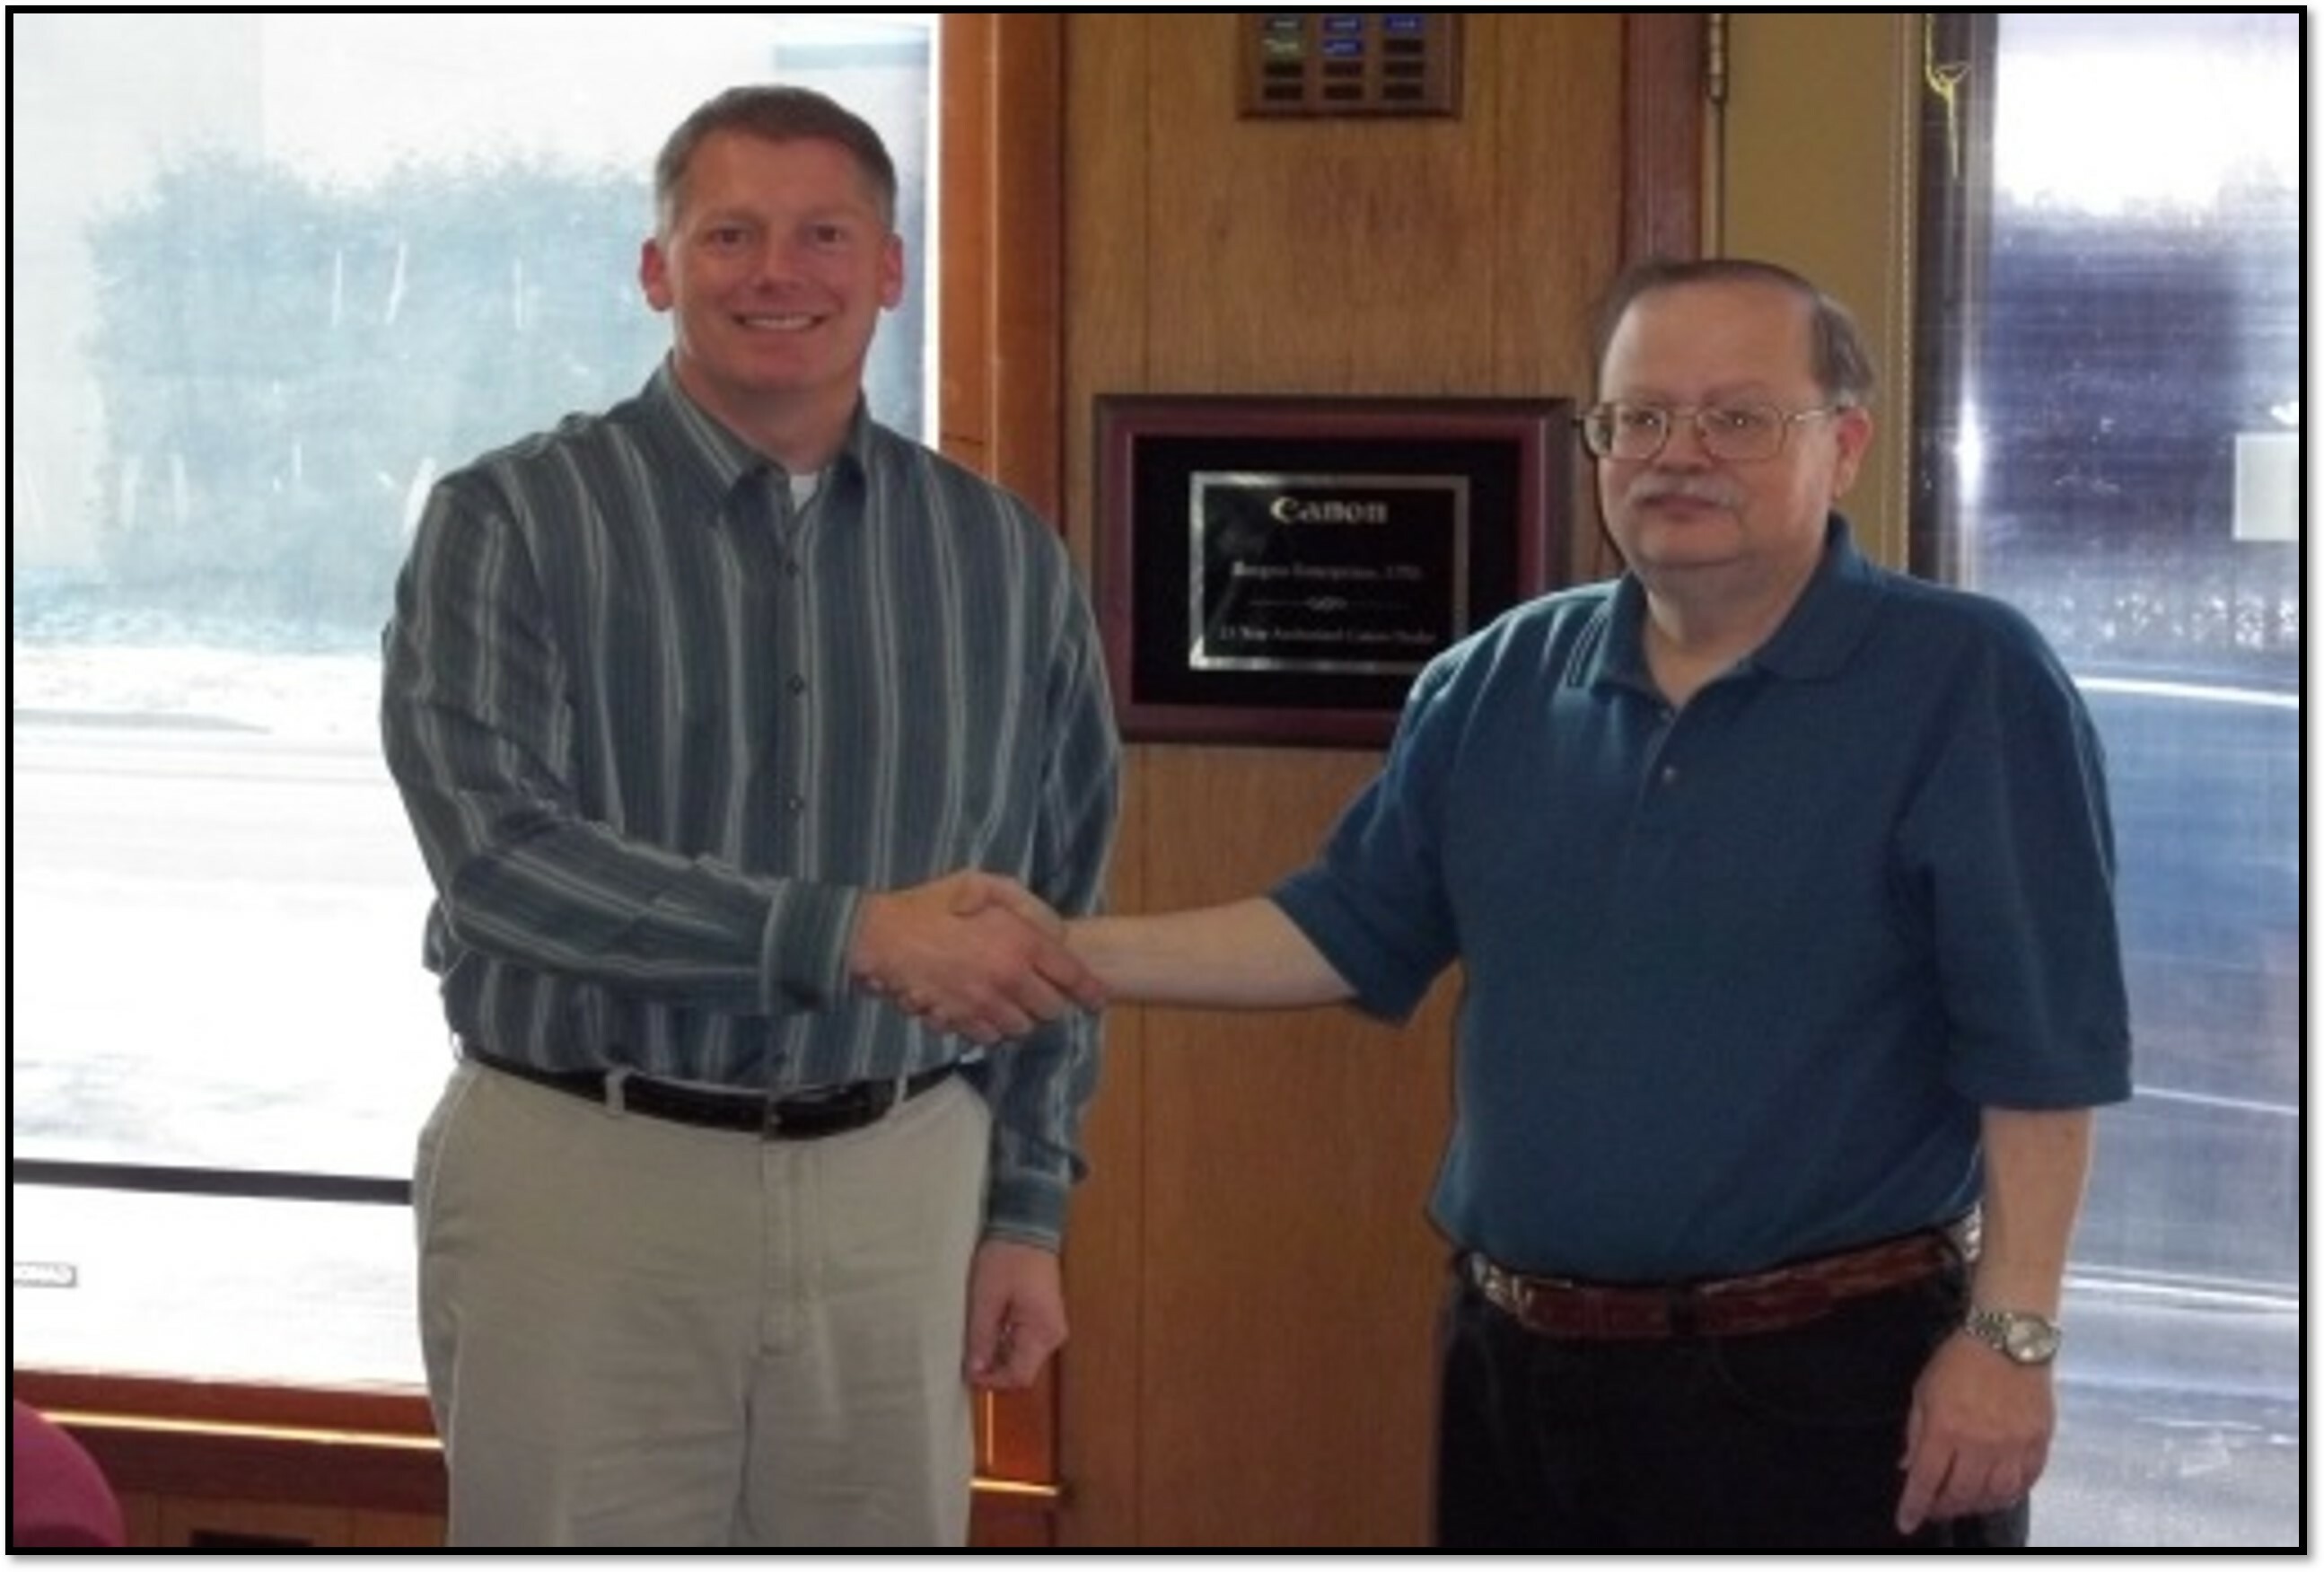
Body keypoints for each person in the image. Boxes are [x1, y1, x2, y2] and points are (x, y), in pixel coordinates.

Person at [960, 258, 2131, 1549]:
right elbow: (1339, 929)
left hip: (1829, 1385)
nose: (1678, 454)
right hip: (1516, 1373)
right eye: (1639, 416)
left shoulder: (1967, 680)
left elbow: (2041, 1055)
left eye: (1738, 418)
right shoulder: (1498, 679)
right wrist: (1054, 948)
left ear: (1843, 445)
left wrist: (2010, 1340)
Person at [378, 84, 1119, 1548]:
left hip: (902, 1182)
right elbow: (500, 865)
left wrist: (1027, 1211)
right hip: (583, 1179)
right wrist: (849, 936)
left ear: (888, 269)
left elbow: (1055, 914)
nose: (777, 272)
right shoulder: (508, 521)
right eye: (729, 235)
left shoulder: (1001, 556)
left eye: (823, 235)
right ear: (657, 269)